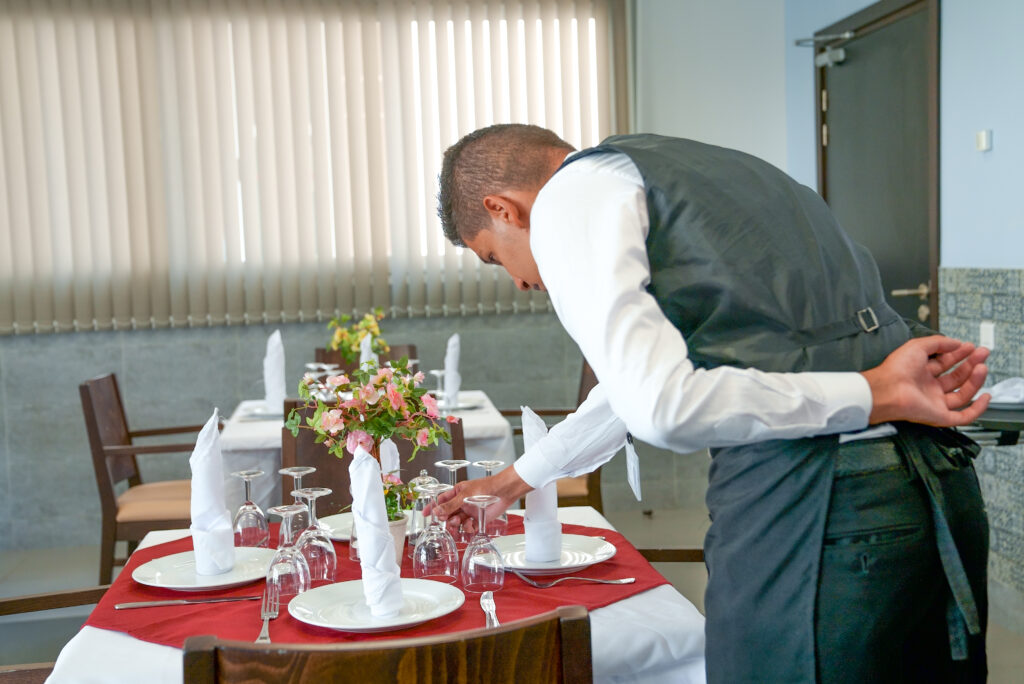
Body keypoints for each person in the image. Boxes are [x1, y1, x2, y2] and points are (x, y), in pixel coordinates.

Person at [433, 124, 991, 683]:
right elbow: (633, 392)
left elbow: (662, 408)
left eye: (493, 257)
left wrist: (873, 393)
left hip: (820, 509)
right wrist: (510, 483)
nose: (518, 282)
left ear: (503, 209)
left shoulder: (567, 201)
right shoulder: (699, 169)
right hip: (929, 488)